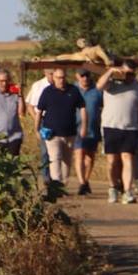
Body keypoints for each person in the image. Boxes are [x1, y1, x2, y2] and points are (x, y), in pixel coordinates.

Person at [97, 60, 138, 205]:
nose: (129, 76)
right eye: (126, 73)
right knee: (112, 160)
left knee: (127, 158)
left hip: (131, 127)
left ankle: (128, 191)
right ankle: (113, 187)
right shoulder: (111, 83)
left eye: (132, 73)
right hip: (110, 126)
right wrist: (111, 71)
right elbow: (99, 85)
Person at [35, 67, 87, 198]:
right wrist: (37, 129)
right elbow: (39, 111)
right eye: (58, 77)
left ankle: (62, 185)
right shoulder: (47, 92)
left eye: (63, 77)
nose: (61, 80)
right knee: (54, 158)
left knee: (67, 160)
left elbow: (82, 108)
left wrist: (84, 126)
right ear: (53, 78)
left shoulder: (73, 91)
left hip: (70, 132)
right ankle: (56, 186)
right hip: (52, 133)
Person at [73, 69, 103, 196]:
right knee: (79, 153)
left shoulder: (97, 90)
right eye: (82, 75)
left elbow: (103, 106)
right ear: (77, 76)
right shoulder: (73, 89)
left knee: (89, 157)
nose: (85, 78)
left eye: (87, 75)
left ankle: (85, 180)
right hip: (76, 128)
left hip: (93, 128)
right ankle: (81, 183)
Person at [26, 66, 57, 184]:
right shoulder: (38, 86)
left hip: (58, 120)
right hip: (44, 120)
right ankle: (46, 178)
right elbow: (30, 106)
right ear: (45, 72)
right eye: (50, 73)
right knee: (45, 151)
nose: (52, 76)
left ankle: (56, 178)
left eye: (54, 73)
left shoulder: (60, 85)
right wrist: (37, 122)